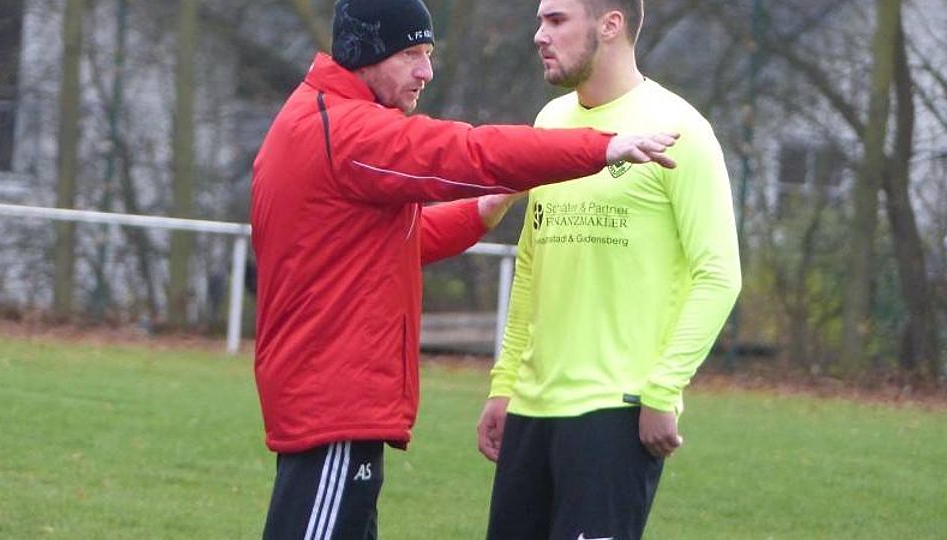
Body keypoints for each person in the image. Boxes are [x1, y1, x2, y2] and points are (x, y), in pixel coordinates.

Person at [249, 0, 680, 538]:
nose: (426, 72)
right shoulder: (347, 131)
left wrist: (479, 211)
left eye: (429, 54)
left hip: (332, 404)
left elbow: (389, 248)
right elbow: (466, 151)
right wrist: (602, 147)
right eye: (412, 54)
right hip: (331, 407)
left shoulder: (322, 118)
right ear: (366, 54)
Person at [476, 1, 742, 539]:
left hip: (615, 412)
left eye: (556, 20)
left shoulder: (681, 129)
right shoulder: (549, 124)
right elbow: (532, 263)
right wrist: (505, 386)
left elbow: (718, 274)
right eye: (540, 20)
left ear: (610, 24)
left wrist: (663, 389)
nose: (539, 35)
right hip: (530, 409)